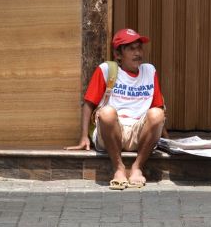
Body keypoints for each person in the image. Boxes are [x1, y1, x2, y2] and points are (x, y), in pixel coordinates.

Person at [66, 28, 165, 189]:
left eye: (139, 47)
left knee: (157, 114)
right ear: (118, 54)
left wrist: (165, 139)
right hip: (112, 134)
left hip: (138, 133)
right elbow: (89, 103)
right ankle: (118, 168)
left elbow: (158, 107)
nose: (137, 52)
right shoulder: (107, 70)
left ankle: (137, 167)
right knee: (106, 112)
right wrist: (84, 136)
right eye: (131, 49)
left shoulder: (149, 71)